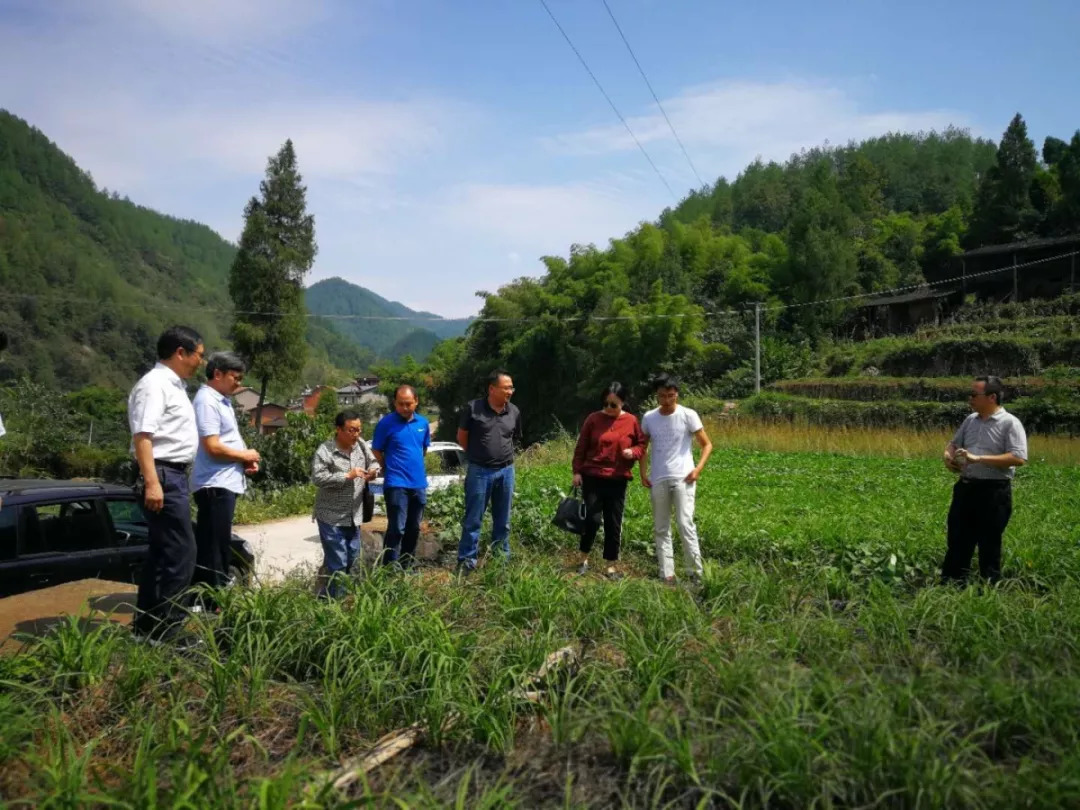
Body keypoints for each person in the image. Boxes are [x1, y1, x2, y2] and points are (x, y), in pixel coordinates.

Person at [127, 325, 204, 642]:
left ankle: (145, 628)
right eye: (199, 355)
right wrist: (153, 483)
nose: (201, 361)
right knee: (181, 554)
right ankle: (168, 631)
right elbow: (143, 436)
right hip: (161, 474)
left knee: (162, 553)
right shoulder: (155, 385)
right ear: (180, 353)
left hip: (170, 474)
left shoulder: (173, 386)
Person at [941, 375, 1028, 584]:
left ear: (992, 397)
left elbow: (1018, 457)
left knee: (989, 543)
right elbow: (953, 444)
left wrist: (978, 458)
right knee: (958, 539)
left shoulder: (1010, 423)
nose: (969, 398)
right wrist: (948, 457)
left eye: (974, 394)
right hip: (966, 488)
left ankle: (988, 589)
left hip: (993, 492)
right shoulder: (970, 420)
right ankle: (952, 585)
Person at [190, 352, 261, 608]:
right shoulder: (207, 401)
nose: (238, 384)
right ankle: (208, 603)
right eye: (235, 377)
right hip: (214, 485)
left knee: (218, 546)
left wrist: (244, 460)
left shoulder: (221, 400)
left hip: (223, 482)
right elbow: (212, 446)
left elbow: (224, 442)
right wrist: (245, 454)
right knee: (213, 549)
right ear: (217, 373)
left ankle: (210, 600)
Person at [640, 374, 713, 584]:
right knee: (661, 527)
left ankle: (694, 573)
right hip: (658, 477)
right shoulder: (649, 418)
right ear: (656, 396)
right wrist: (643, 473)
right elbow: (642, 448)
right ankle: (667, 574)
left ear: (677, 394)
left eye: (671, 396)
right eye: (662, 396)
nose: (667, 400)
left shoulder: (688, 415)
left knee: (685, 523)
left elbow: (706, 444)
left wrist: (698, 468)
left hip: (684, 476)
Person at [572, 382, 647, 579]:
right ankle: (583, 558)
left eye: (613, 405)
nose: (608, 408)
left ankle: (611, 565)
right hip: (593, 477)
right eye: (605, 404)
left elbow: (641, 444)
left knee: (614, 522)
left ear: (623, 402)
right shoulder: (593, 419)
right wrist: (577, 472)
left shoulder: (631, 421)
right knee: (592, 519)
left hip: (617, 478)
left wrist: (634, 452)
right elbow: (581, 447)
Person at [456, 369, 522, 574]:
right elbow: (462, 437)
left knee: (503, 520)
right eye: (506, 388)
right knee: (473, 519)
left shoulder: (514, 411)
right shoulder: (473, 408)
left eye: (511, 387)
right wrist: (478, 455)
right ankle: (467, 562)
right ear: (492, 389)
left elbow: (515, 438)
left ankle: (500, 559)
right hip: (479, 471)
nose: (510, 391)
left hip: (506, 471)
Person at [311, 410, 378, 598]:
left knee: (352, 559)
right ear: (339, 429)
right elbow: (318, 478)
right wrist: (347, 476)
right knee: (338, 563)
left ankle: (327, 596)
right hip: (331, 516)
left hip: (354, 515)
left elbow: (373, 462)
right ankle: (336, 605)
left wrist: (373, 472)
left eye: (358, 430)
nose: (356, 434)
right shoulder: (325, 451)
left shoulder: (361, 445)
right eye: (351, 430)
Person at [371, 384, 431, 569]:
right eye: (400, 404)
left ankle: (407, 566)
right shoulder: (386, 424)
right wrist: (386, 467)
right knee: (397, 528)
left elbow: (423, 449)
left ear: (416, 402)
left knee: (413, 528)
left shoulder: (423, 423)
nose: (405, 408)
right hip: (396, 484)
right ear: (394, 403)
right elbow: (376, 449)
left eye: (408, 404)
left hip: (418, 484)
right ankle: (390, 569)